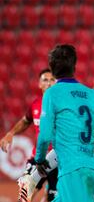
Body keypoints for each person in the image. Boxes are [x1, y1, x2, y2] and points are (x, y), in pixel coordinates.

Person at [34, 44, 94, 202]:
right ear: (74, 66)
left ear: (52, 67)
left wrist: (39, 159)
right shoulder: (92, 95)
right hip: (90, 168)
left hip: (71, 170)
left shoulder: (52, 93)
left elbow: (44, 136)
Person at [0, 68, 57, 202]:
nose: (48, 83)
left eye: (52, 80)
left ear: (56, 83)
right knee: (25, 194)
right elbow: (26, 120)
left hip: (56, 159)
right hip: (37, 157)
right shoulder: (36, 104)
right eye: (45, 80)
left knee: (52, 198)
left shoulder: (62, 105)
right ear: (39, 84)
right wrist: (11, 133)